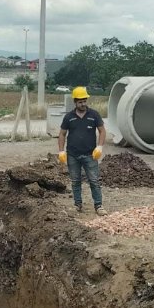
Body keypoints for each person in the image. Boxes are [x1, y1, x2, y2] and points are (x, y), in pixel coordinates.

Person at [58, 86, 108, 216]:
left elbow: (102, 131)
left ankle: (99, 205)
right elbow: (62, 134)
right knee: (75, 181)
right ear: (75, 102)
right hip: (72, 155)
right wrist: (61, 151)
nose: (83, 104)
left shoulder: (94, 115)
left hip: (90, 154)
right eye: (80, 101)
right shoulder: (69, 117)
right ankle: (77, 204)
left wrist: (100, 146)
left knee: (94, 180)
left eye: (84, 101)